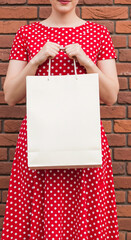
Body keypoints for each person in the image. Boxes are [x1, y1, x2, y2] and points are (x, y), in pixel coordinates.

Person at [1, 0, 120, 239]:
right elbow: (10, 96)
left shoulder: (98, 33)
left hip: (84, 142)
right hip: (39, 140)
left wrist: (86, 61)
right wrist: (36, 60)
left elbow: (111, 96)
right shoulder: (27, 33)